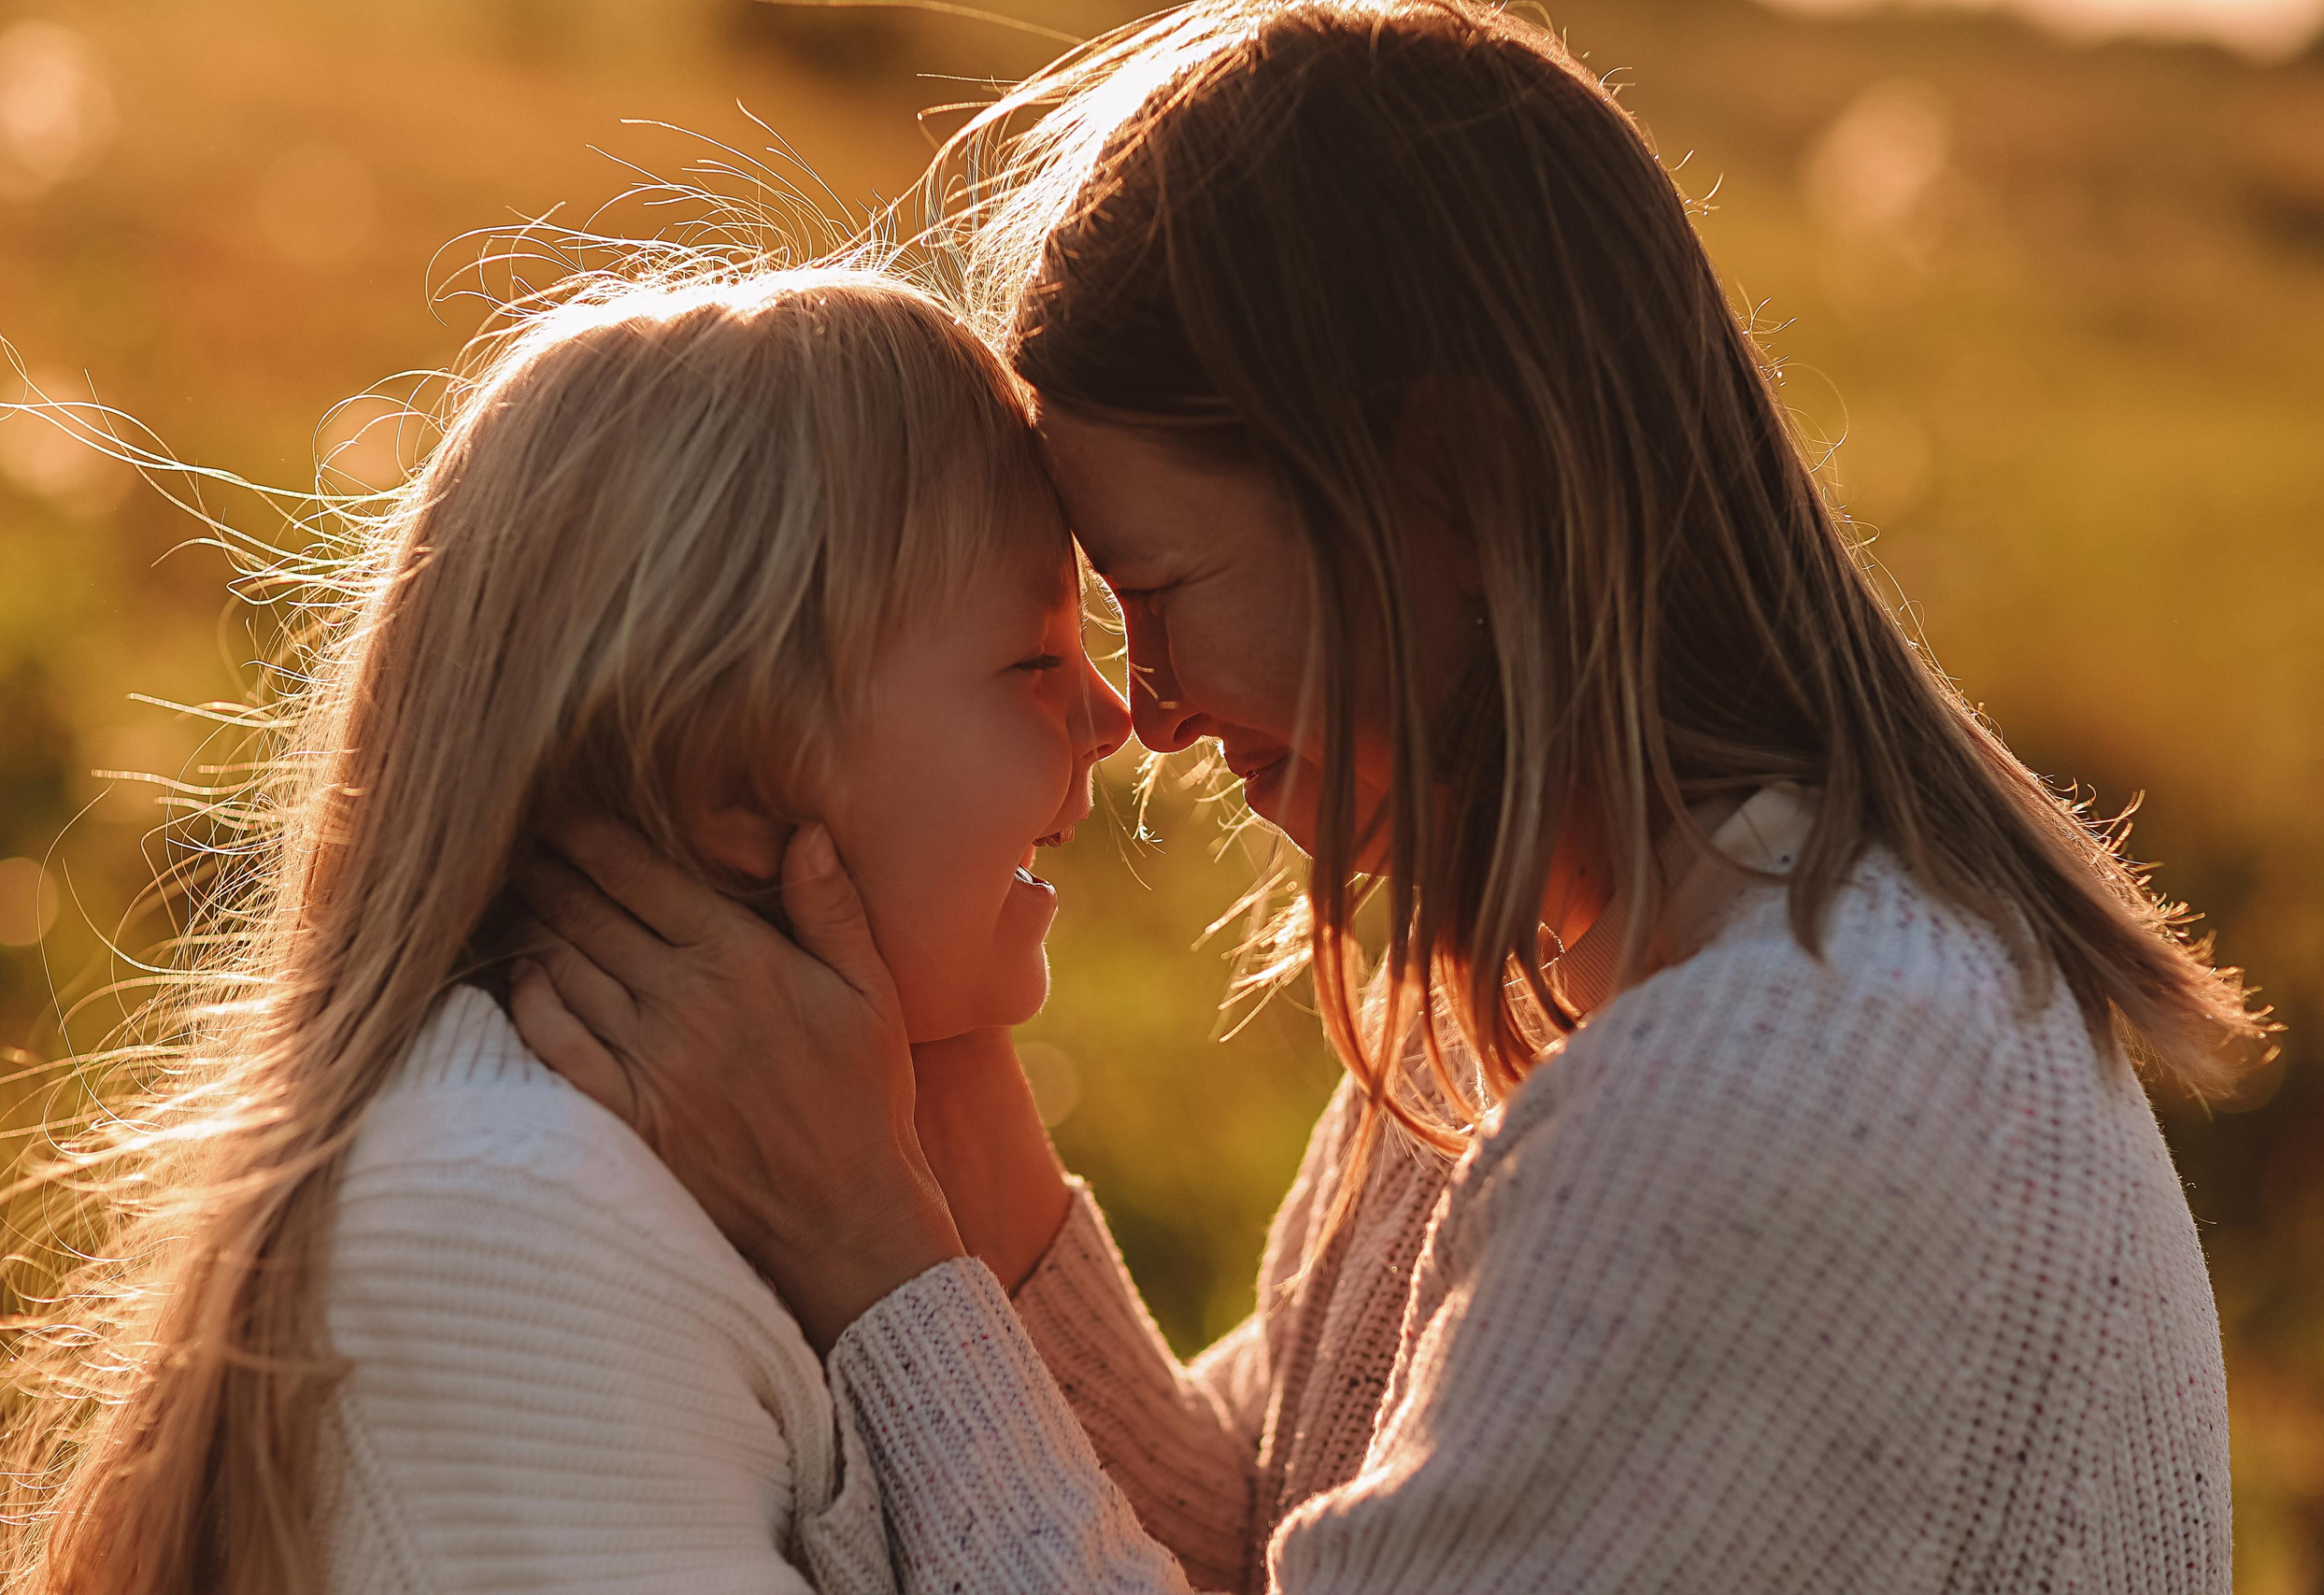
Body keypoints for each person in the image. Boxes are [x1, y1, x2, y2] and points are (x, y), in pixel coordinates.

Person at [509, 1, 2266, 1591]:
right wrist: (935, 1069)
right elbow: (1247, 1534)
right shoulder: (1525, 988)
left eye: (1165, 591)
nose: (1156, 712)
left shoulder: (1782, 1093)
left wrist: (871, 1254)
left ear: (1457, 491)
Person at [0, 265, 1130, 1595]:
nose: (1115, 717)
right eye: (1036, 661)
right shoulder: (518, 1235)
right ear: (741, 782)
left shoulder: (677, 1186)